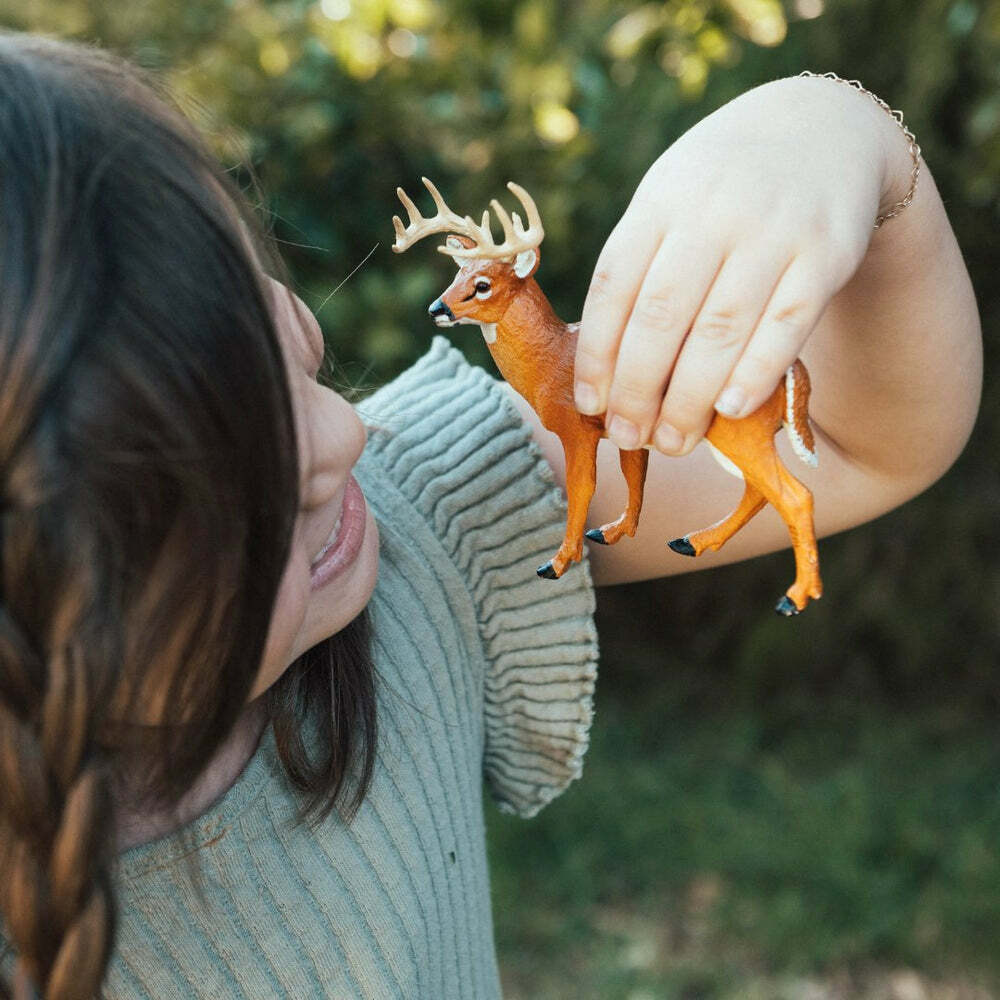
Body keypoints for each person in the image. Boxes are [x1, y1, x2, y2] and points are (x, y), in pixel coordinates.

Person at [0, 31, 980, 1000]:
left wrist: (832, 129)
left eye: (294, 354)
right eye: (252, 473)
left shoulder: (431, 502)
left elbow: (858, 442)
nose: (344, 432)